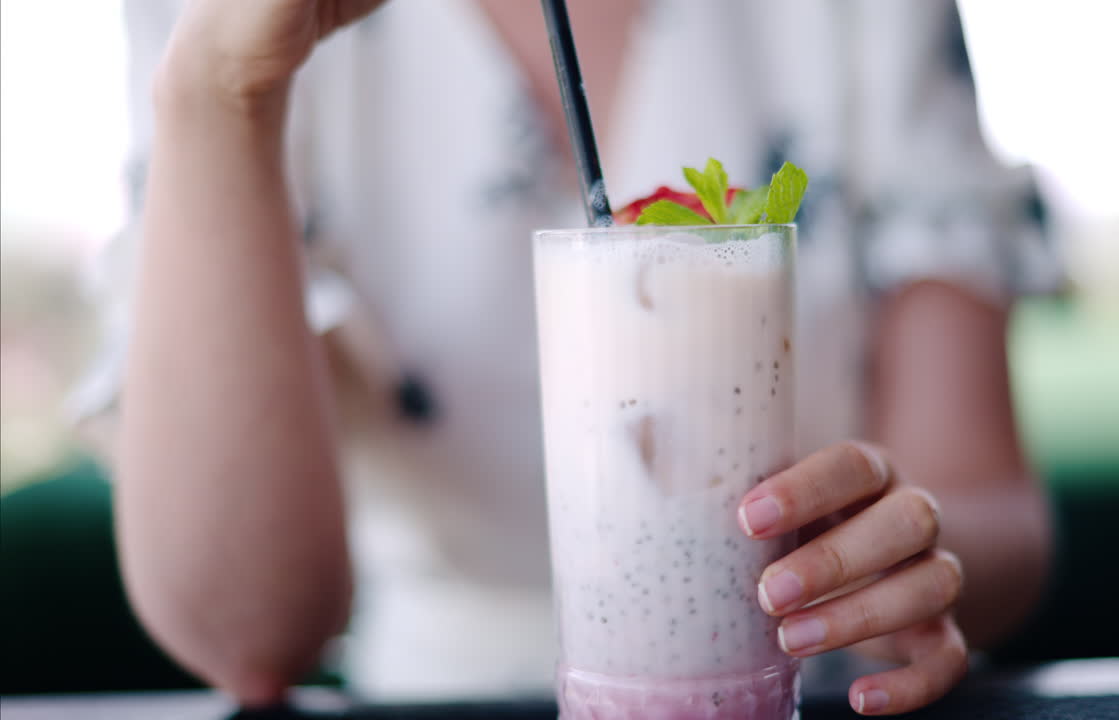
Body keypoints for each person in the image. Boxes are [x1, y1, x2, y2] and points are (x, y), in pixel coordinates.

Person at [77, 0, 1056, 714]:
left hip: (803, 691)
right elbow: (248, 642)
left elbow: (990, 506)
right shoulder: (220, 24)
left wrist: (891, 564)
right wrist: (216, 93)